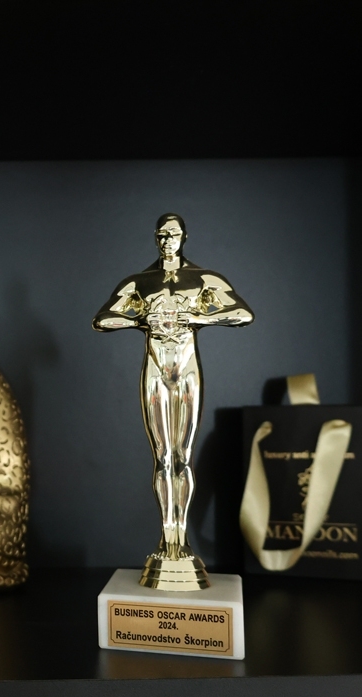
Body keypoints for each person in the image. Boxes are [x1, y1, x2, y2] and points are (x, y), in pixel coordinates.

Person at [93, 214, 253, 589]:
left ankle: (181, 540)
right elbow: (102, 319)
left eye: (174, 233)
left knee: (183, 456)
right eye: (163, 234)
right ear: (155, 238)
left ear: (184, 237)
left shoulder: (203, 279)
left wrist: (196, 315)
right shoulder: (140, 282)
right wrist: (142, 318)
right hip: (155, 370)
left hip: (186, 370)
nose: (168, 239)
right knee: (163, 457)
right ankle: (168, 540)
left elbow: (243, 314)